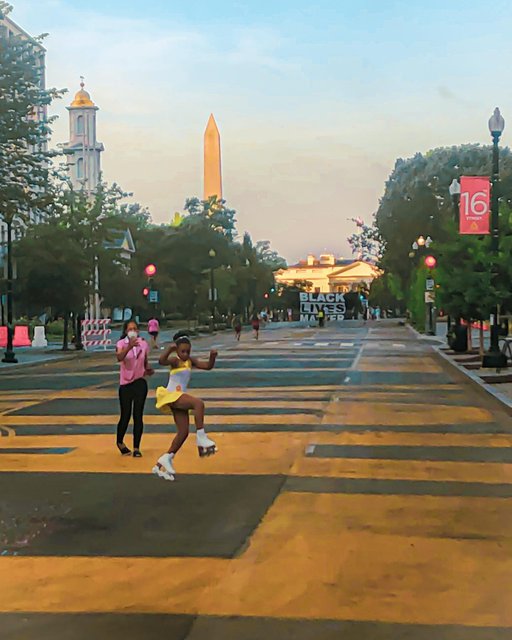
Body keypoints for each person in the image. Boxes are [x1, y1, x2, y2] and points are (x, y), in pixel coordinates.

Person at [153, 332, 218, 481]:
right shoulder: (175, 361)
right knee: (198, 404)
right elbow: (161, 361)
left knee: (183, 432)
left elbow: (208, 366)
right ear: (177, 350)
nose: (185, 354)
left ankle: (164, 460)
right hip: (172, 395)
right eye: (182, 351)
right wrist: (169, 350)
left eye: (188, 351)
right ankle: (201, 437)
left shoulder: (190, 361)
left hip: (179, 396)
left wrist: (212, 357)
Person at [116, 320, 154, 458]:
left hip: (139, 382)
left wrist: (148, 370)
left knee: (138, 415)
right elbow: (119, 357)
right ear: (126, 331)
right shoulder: (121, 344)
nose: (133, 331)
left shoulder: (143, 344)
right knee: (125, 415)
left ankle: (137, 447)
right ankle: (120, 442)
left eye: (135, 328)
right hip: (126, 384)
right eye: (130, 329)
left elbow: (145, 361)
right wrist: (129, 347)